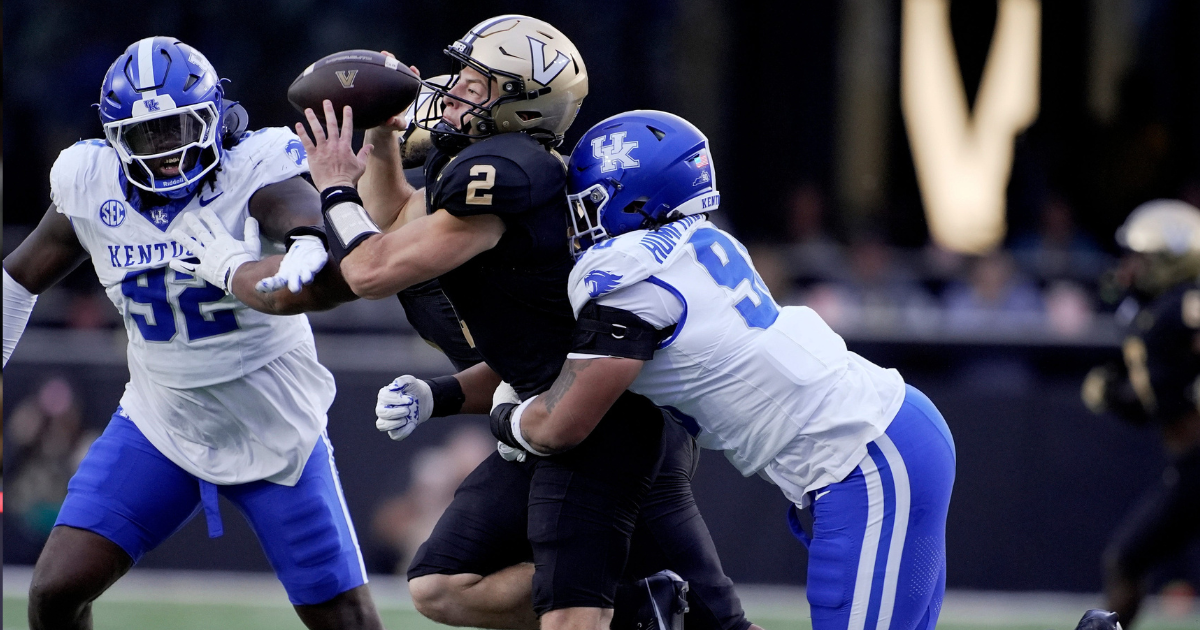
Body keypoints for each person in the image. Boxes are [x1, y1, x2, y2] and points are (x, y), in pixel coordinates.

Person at [179, 15, 756, 630]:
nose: (453, 89)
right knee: (440, 585)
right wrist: (379, 141)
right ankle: (641, 599)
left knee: (677, 614)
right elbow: (392, 217)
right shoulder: (482, 167)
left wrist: (333, 189)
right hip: (549, 406)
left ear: (523, 107)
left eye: (477, 84)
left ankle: (637, 600)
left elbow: (370, 269)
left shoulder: (510, 174)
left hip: (599, 422)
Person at [487, 110, 957, 630]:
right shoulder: (698, 242)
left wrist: (508, 416)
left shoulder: (627, 276)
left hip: (863, 454)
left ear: (630, 199)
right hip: (885, 431)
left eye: (586, 202)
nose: (576, 219)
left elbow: (560, 425)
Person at [2, 37, 381, 630]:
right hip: (161, 424)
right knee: (55, 592)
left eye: (178, 129)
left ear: (212, 118)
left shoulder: (252, 163)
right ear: (114, 139)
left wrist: (308, 234)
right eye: (146, 136)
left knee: (346, 621)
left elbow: (288, 200)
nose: (166, 153)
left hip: (274, 424)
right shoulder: (89, 181)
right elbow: (18, 278)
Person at [1081, 199, 1200, 626]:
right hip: (1189, 469)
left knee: (1127, 559)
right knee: (1127, 558)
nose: (1130, 267)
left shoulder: (1186, 304)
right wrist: (1120, 394)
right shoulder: (1158, 313)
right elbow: (1160, 401)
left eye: (1142, 257)